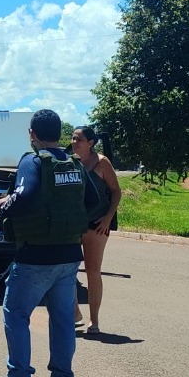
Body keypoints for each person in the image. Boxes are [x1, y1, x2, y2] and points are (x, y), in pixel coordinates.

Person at [0, 109, 98, 377]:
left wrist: (2, 206)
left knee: (16, 313)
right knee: (62, 320)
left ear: (32, 134)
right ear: (59, 135)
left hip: (36, 255)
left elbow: (24, 195)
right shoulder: (74, 164)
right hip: (70, 255)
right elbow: (95, 201)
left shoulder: (31, 162)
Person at [71, 125, 122, 337]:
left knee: (93, 271)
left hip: (97, 224)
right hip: (74, 224)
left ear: (90, 143)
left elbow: (116, 191)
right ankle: (74, 314)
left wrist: (108, 218)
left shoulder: (102, 163)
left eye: (78, 139)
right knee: (67, 271)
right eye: (73, 139)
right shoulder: (70, 162)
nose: (74, 142)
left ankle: (94, 320)